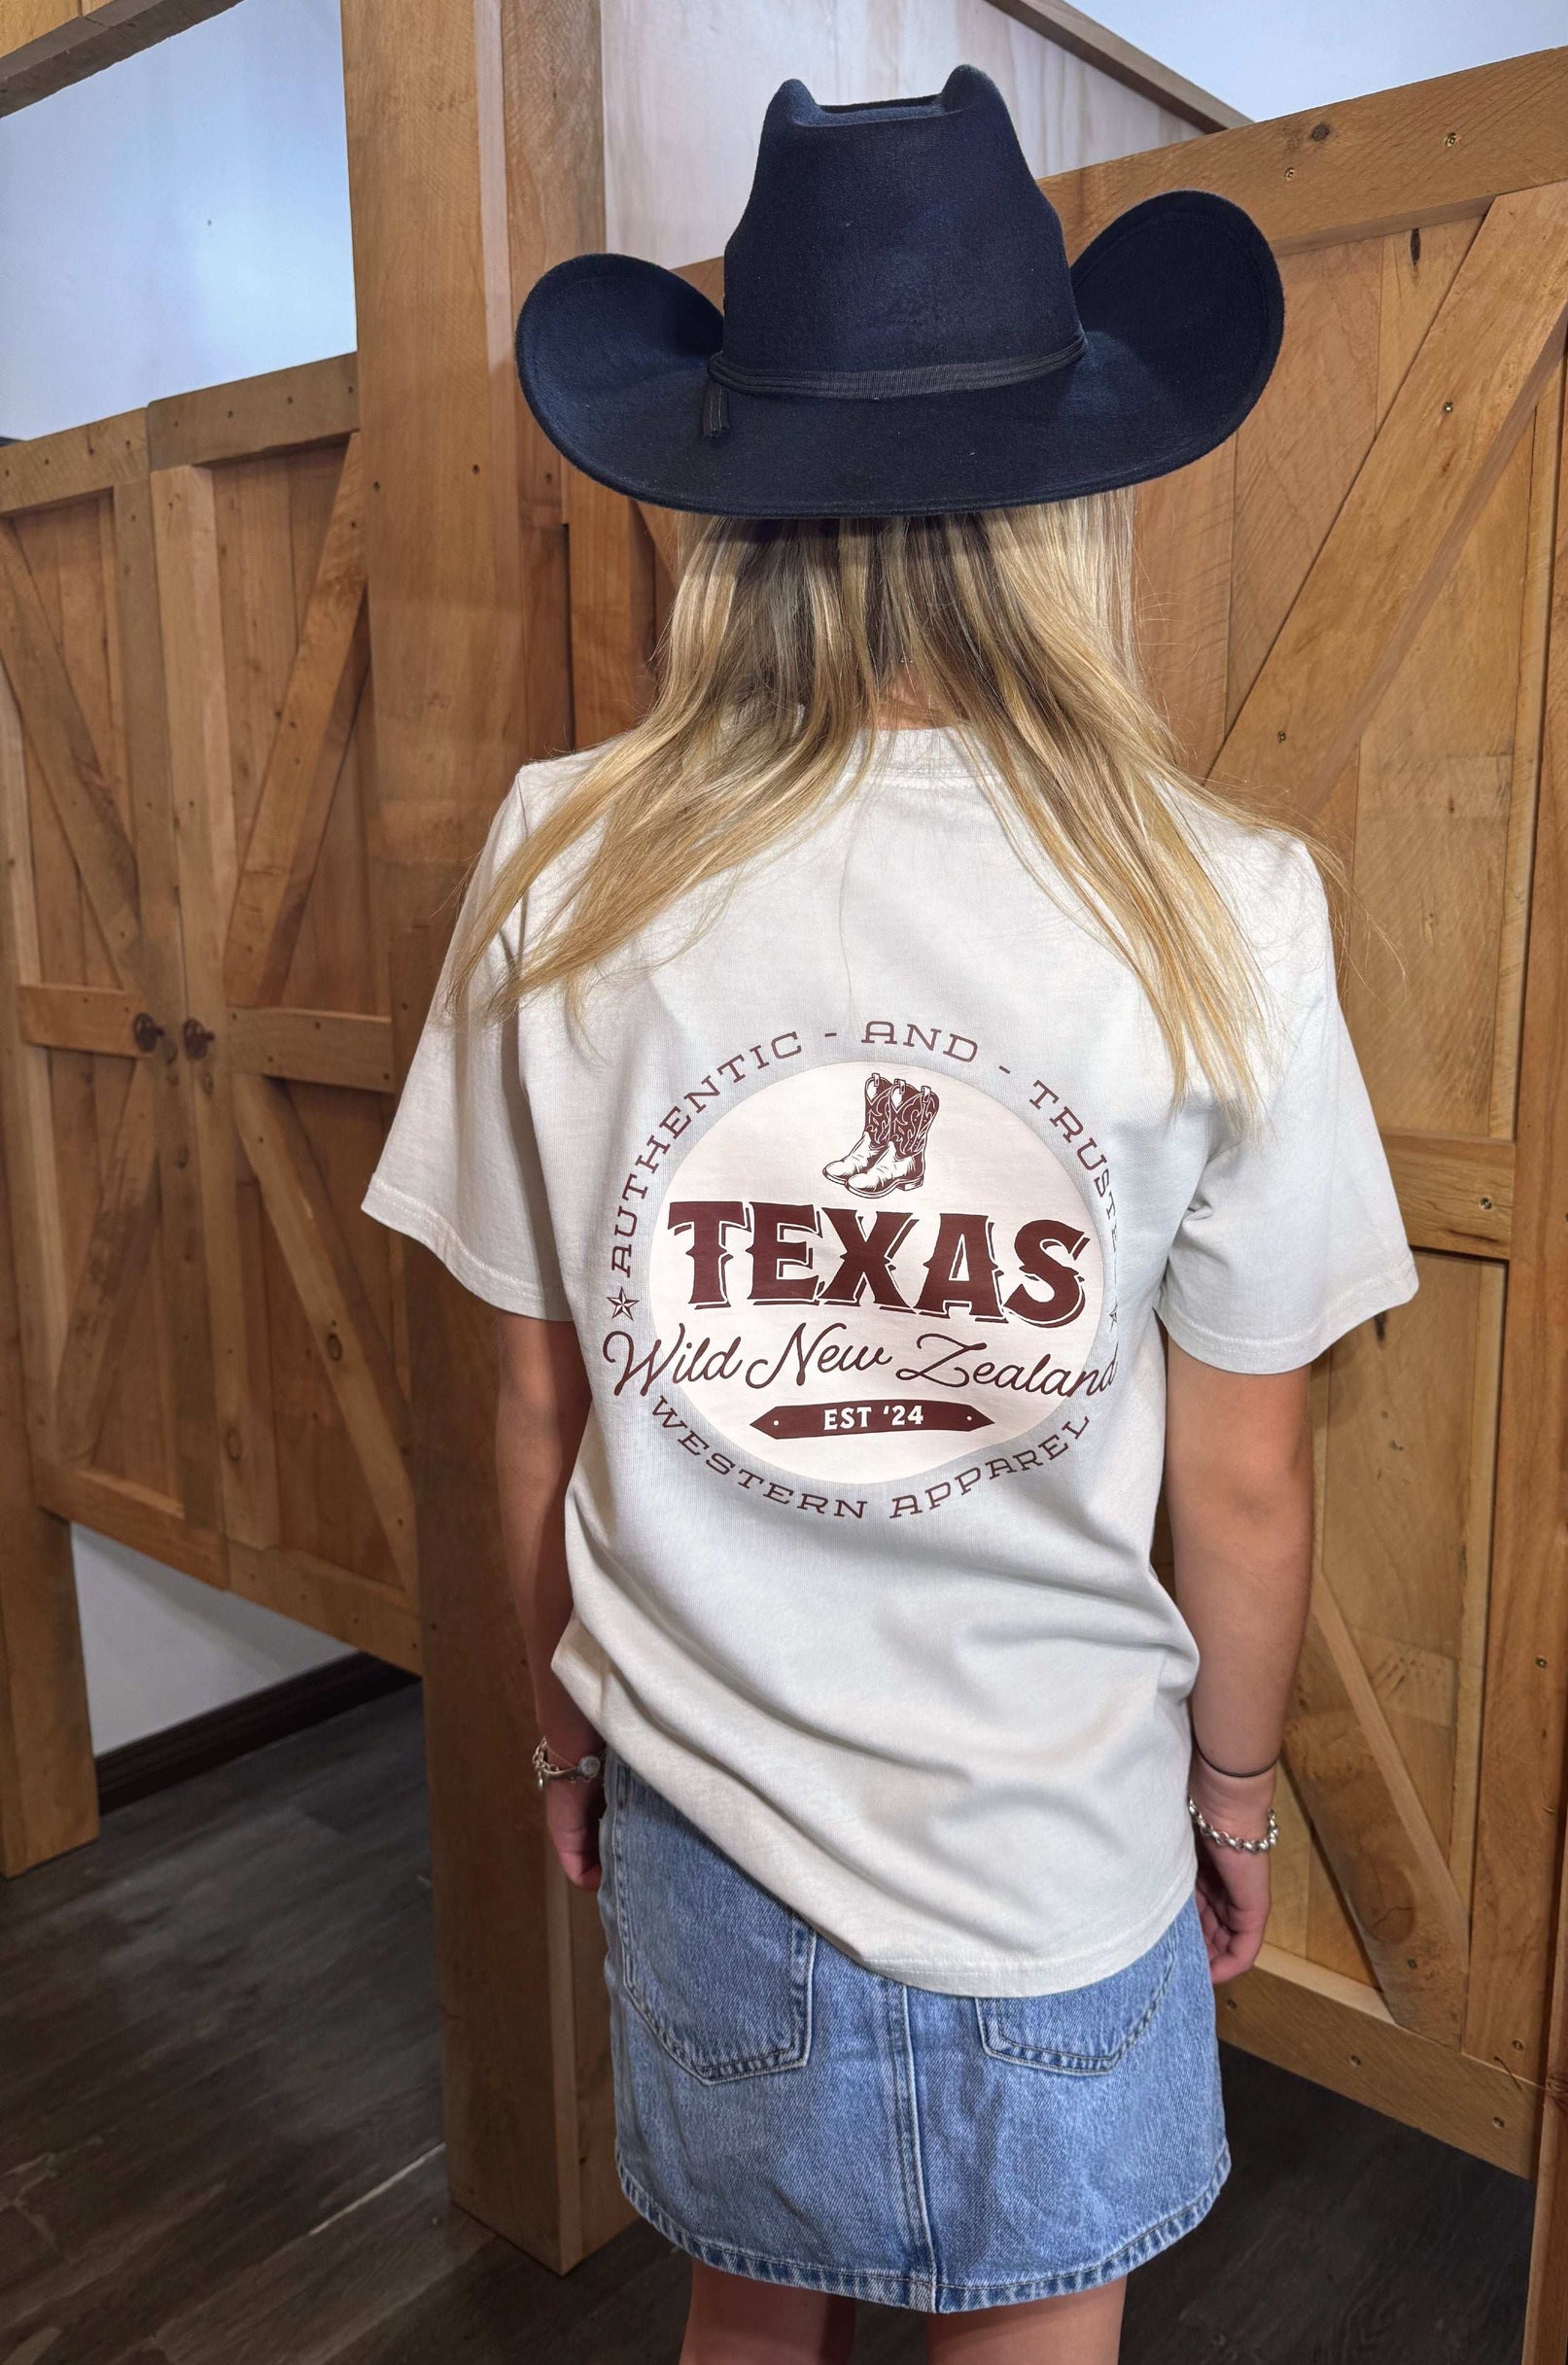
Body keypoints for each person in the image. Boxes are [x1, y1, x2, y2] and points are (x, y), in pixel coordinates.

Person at [366, 65, 1415, 2365]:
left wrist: (569, 1740)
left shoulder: (559, 858)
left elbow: (528, 1400)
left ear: (725, 498)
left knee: (743, 2322)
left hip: (710, 1817)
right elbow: (1243, 1464)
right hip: (1062, 1846)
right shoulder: (1221, 904)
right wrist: (1235, 1792)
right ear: (1072, 495)